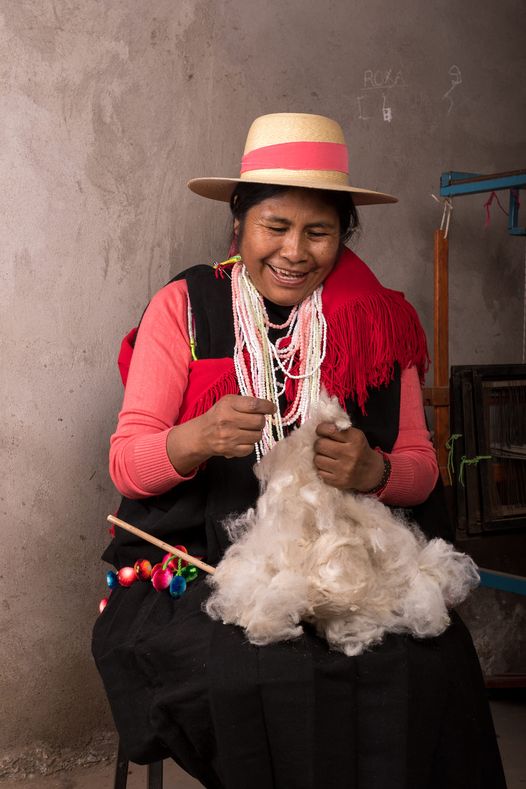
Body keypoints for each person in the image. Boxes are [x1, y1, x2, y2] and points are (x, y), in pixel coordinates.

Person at [92, 113, 506, 788]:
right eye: (274, 227)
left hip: (352, 572)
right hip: (195, 569)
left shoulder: (380, 318)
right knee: (259, 672)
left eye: (318, 231)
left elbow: (420, 466)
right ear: (239, 225)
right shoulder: (184, 309)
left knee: (428, 662)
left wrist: (376, 471)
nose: (294, 251)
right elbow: (126, 460)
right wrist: (194, 438)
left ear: (343, 234)